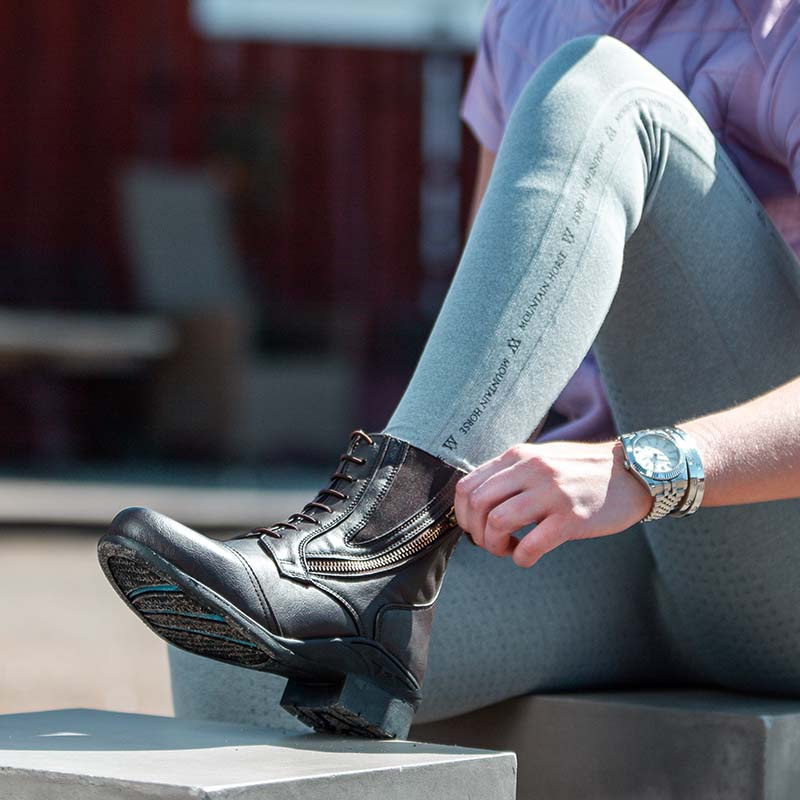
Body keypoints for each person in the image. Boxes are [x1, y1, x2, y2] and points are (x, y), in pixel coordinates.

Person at [99, 0, 800, 739]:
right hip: (598, 552)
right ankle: (376, 563)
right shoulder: (526, 17)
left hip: (764, 550)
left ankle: (375, 541)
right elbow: (503, 324)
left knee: (603, 88)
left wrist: (639, 470)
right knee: (236, 664)